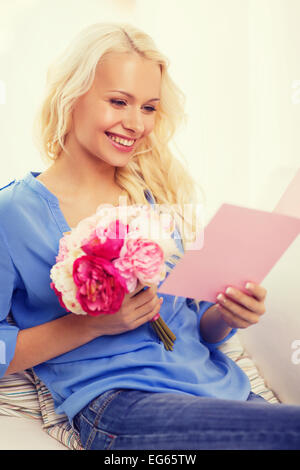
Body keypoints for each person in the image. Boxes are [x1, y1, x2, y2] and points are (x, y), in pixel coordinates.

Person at [0, 22, 299, 451]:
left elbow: (197, 328)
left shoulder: (153, 195)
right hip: (122, 405)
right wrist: (90, 326)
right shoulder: (12, 214)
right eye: (119, 101)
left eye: (149, 107)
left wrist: (229, 315)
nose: (135, 123)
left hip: (220, 392)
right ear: (72, 97)